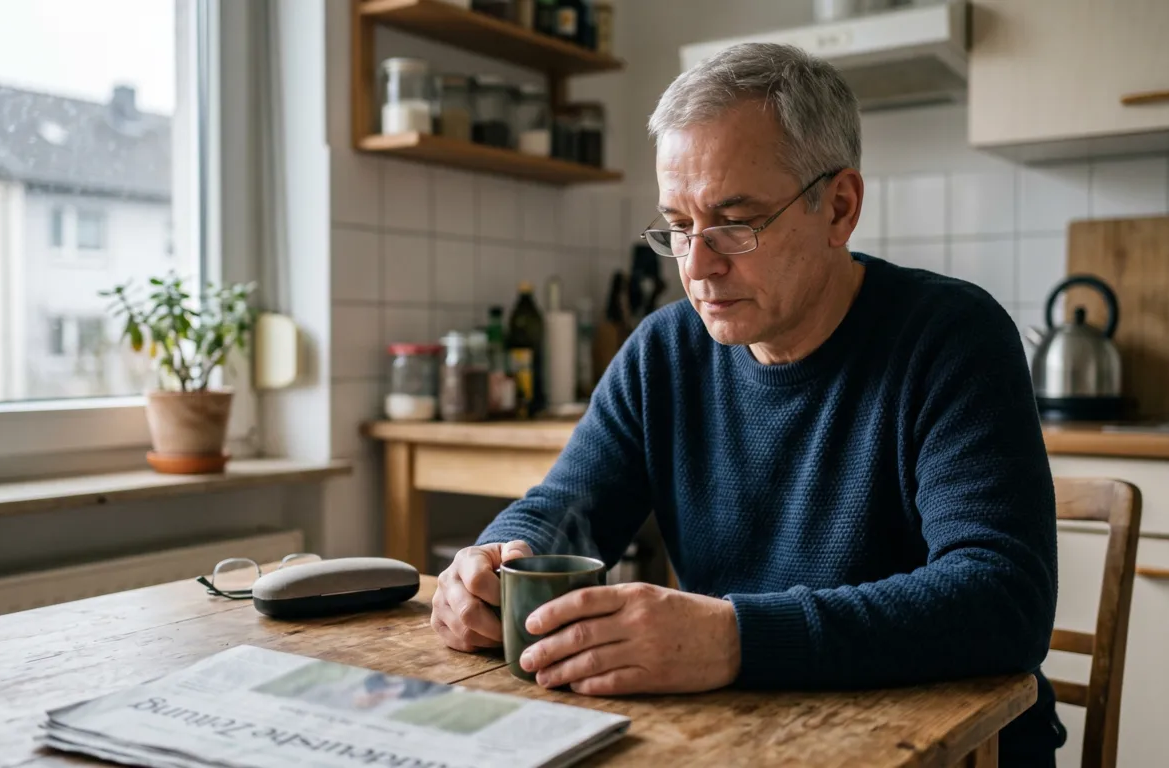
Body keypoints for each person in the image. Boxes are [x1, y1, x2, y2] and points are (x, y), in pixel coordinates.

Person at [429, 42, 1062, 766]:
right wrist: (497, 563)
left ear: (840, 207)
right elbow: (566, 510)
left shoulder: (951, 337)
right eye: (678, 225)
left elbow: (1002, 600)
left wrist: (733, 638)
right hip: (749, 738)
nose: (697, 267)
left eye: (735, 221)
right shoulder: (664, 351)